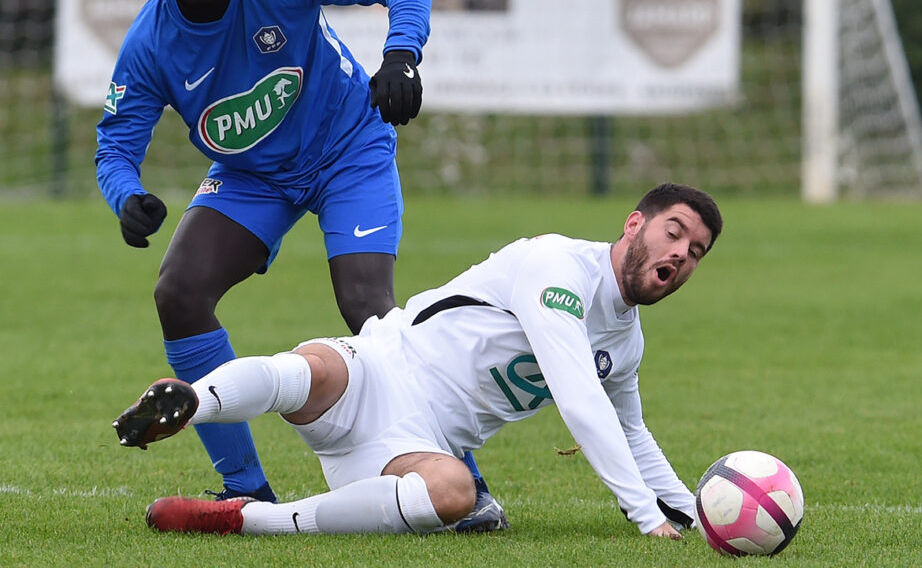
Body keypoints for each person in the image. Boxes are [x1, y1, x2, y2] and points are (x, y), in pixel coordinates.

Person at [95, 0, 501, 529]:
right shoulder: (151, 44)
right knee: (178, 291)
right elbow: (114, 144)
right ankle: (246, 490)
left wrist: (402, 56)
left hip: (347, 148)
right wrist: (127, 194)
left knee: (368, 306)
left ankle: (468, 485)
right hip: (253, 175)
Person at [112, 183, 724, 538]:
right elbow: (578, 396)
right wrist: (646, 518)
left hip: (416, 445)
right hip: (380, 367)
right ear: (634, 223)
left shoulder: (625, 342)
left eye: (696, 252)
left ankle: (249, 520)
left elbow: (632, 430)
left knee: (454, 493)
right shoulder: (557, 267)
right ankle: (193, 404)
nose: (682, 255)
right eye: (674, 232)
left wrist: (696, 518)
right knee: (312, 370)